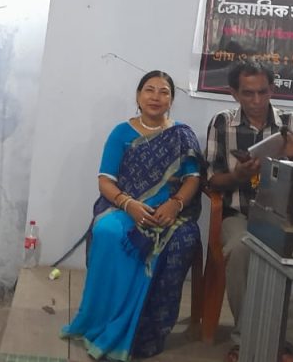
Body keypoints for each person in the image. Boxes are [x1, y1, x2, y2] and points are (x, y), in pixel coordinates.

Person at [61, 71, 202, 361]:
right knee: (109, 232)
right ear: (138, 96)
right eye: (149, 90)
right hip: (124, 206)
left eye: (163, 91)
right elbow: (105, 181)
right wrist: (129, 205)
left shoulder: (182, 135)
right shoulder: (121, 133)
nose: (155, 97)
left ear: (171, 100)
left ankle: (145, 332)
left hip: (170, 212)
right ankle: (103, 321)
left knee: (182, 240)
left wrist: (175, 204)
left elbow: (193, 178)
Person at [205, 60, 293, 362]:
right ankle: (248, 339)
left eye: (263, 92)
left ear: (272, 89)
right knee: (241, 249)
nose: (257, 101)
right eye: (248, 93)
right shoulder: (222, 123)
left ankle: (284, 342)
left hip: (286, 219)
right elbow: (211, 179)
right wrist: (237, 176)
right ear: (234, 93)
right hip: (240, 214)